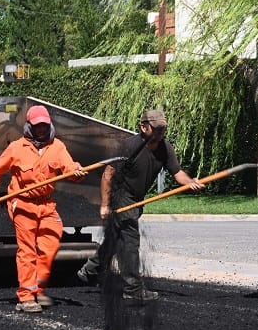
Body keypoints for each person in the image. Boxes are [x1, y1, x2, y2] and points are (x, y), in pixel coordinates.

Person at [77, 109, 204, 302]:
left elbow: (177, 173)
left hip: (137, 197)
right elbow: (107, 175)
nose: (161, 133)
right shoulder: (129, 147)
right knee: (129, 240)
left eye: (163, 130)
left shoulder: (165, 148)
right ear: (144, 127)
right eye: (157, 129)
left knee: (116, 236)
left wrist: (190, 182)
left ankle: (90, 270)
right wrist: (105, 204)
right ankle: (132, 288)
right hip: (121, 196)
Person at [0, 105, 88, 313]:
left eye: (45, 125)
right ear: (29, 125)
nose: (42, 129)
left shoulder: (57, 147)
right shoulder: (16, 148)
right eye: (37, 125)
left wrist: (77, 172)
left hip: (46, 204)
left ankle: (38, 288)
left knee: (50, 244)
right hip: (22, 203)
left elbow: (70, 169)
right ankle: (26, 297)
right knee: (27, 249)